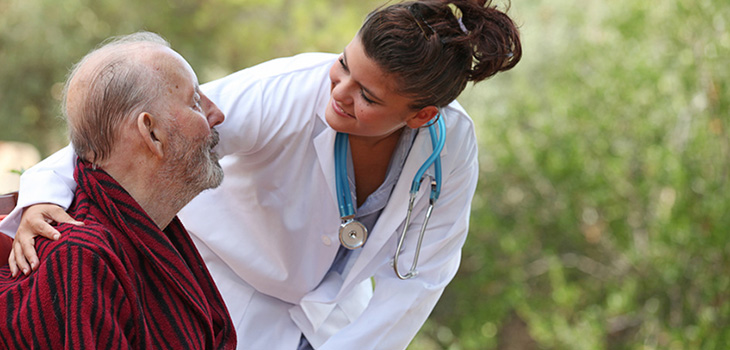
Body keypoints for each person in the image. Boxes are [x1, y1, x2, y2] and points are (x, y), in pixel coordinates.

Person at [1, 0, 521, 348]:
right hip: (209, 282)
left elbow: (422, 276)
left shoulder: (449, 147)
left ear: (421, 115)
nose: (338, 92)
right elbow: (141, 127)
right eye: (344, 66)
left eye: (367, 96)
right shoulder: (291, 89)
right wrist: (43, 197)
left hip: (318, 323)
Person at [0, 32, 236, 349]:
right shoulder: (81, 258)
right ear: (151, 133)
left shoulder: (156, 230)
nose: (217, 114)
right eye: (195, 102)